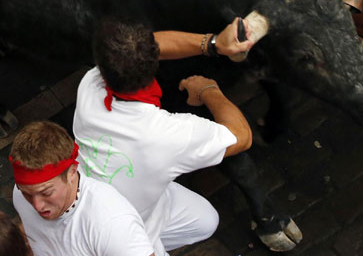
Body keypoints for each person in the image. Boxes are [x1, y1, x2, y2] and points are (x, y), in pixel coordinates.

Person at [73, 18, 253, 255]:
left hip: (105, 187)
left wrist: (215, 43)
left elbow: (148, 46)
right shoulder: (165, 136)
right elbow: (242, 136)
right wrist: (208, 90)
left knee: (205, 220)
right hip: (118, 231)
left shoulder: (90, 85)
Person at [10, 121, 154, 256]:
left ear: (72, 172)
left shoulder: (111, 225)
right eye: (26, 193)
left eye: (46, 193)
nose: (37, 206)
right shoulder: (19, 194)